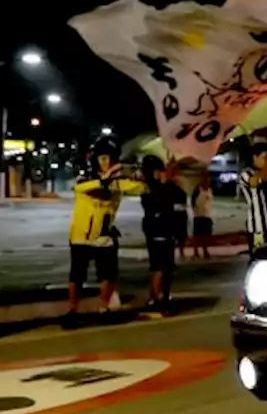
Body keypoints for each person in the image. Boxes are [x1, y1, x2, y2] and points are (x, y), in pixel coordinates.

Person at [66, 138, 147, 322]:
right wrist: (108, 177)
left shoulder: (117, 182)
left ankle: (103, 308)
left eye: (110, 158)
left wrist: (142, 175)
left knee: (109, 274)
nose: (106, 162)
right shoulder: (86, 177)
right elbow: (85, 188)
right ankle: (72, 310)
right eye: (102, 158)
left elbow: (141, 188)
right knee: (77, 275)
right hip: (81, 235)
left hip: (104, 235)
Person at [140, 156, 186, 314]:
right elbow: (172, 208)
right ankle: (159, 298)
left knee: (162, 267)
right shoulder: (154, 189)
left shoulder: (158, 188)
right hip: (160, 231)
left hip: (162, 231)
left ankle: (158, 296)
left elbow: (180, 210)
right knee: (161, 267)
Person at [239, 142, 267, 247]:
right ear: (255, 157)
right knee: (260, 257)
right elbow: (253, 183)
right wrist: (266, 168)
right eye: (265, 157)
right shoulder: (247, 173)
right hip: (258, 228)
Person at [190, 171, 215, 260]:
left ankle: (205, 251)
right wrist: (195, 211)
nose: (206, 180)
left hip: (207, 215)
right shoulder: (197, 189)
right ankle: (195, 252)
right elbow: (193, 202)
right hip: (199, 216)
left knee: (206, 235)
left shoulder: (210, 190)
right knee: (197, 236)